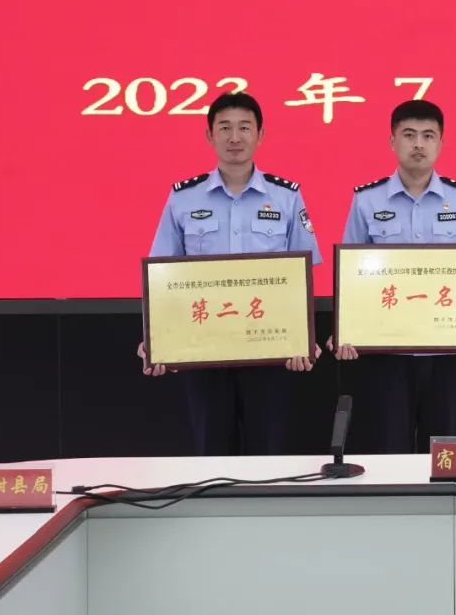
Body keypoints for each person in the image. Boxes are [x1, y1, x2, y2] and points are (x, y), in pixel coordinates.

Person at [137, 91, 322, 455]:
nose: (235, 137)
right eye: (224, 128)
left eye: (244, 128)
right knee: (211, 454)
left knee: (269, 454)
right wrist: (154, 339)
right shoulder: (183, 198)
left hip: (269, 347)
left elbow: (302, 277)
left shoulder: (287, 196)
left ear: (260, 135)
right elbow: (163, 276)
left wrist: (303, 337)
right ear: (210, 135)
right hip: (205, 347)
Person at [329, 99, 456, 454]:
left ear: (441, 142)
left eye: (428, 135)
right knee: (389, 447)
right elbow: (351, 274)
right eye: (409, 135)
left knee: (445, 449)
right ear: (392, 141)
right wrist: (346, 329)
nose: (418, 144)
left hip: (448, 350)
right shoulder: (367, 200)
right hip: (387, 351)